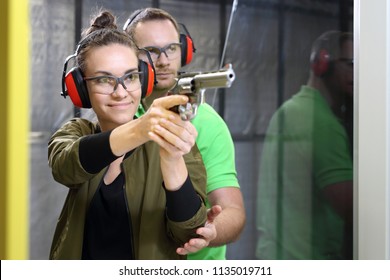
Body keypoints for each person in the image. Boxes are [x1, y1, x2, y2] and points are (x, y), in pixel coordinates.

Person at [48, 10, 208, 260]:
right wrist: (142, 128)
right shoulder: (76, 132)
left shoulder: (172, 140)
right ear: (81, 88)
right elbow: (66, 166)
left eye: (130, 77)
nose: (121, 92)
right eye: (104, 80)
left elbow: (188, 232)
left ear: (144, 80)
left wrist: (171, 158)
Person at [123, 8, 246, 260]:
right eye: (151, 52)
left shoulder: (208, 123)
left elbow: (234, 212)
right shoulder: (121, 114)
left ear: (184, 51)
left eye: (171, 48)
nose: (164, 60)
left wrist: (211, 231)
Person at [256, 30, 354, 259]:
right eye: (350, 64)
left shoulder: (292, 109)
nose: (356, 73)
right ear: (322, 64)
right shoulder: (320, 122)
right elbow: (352, 208)